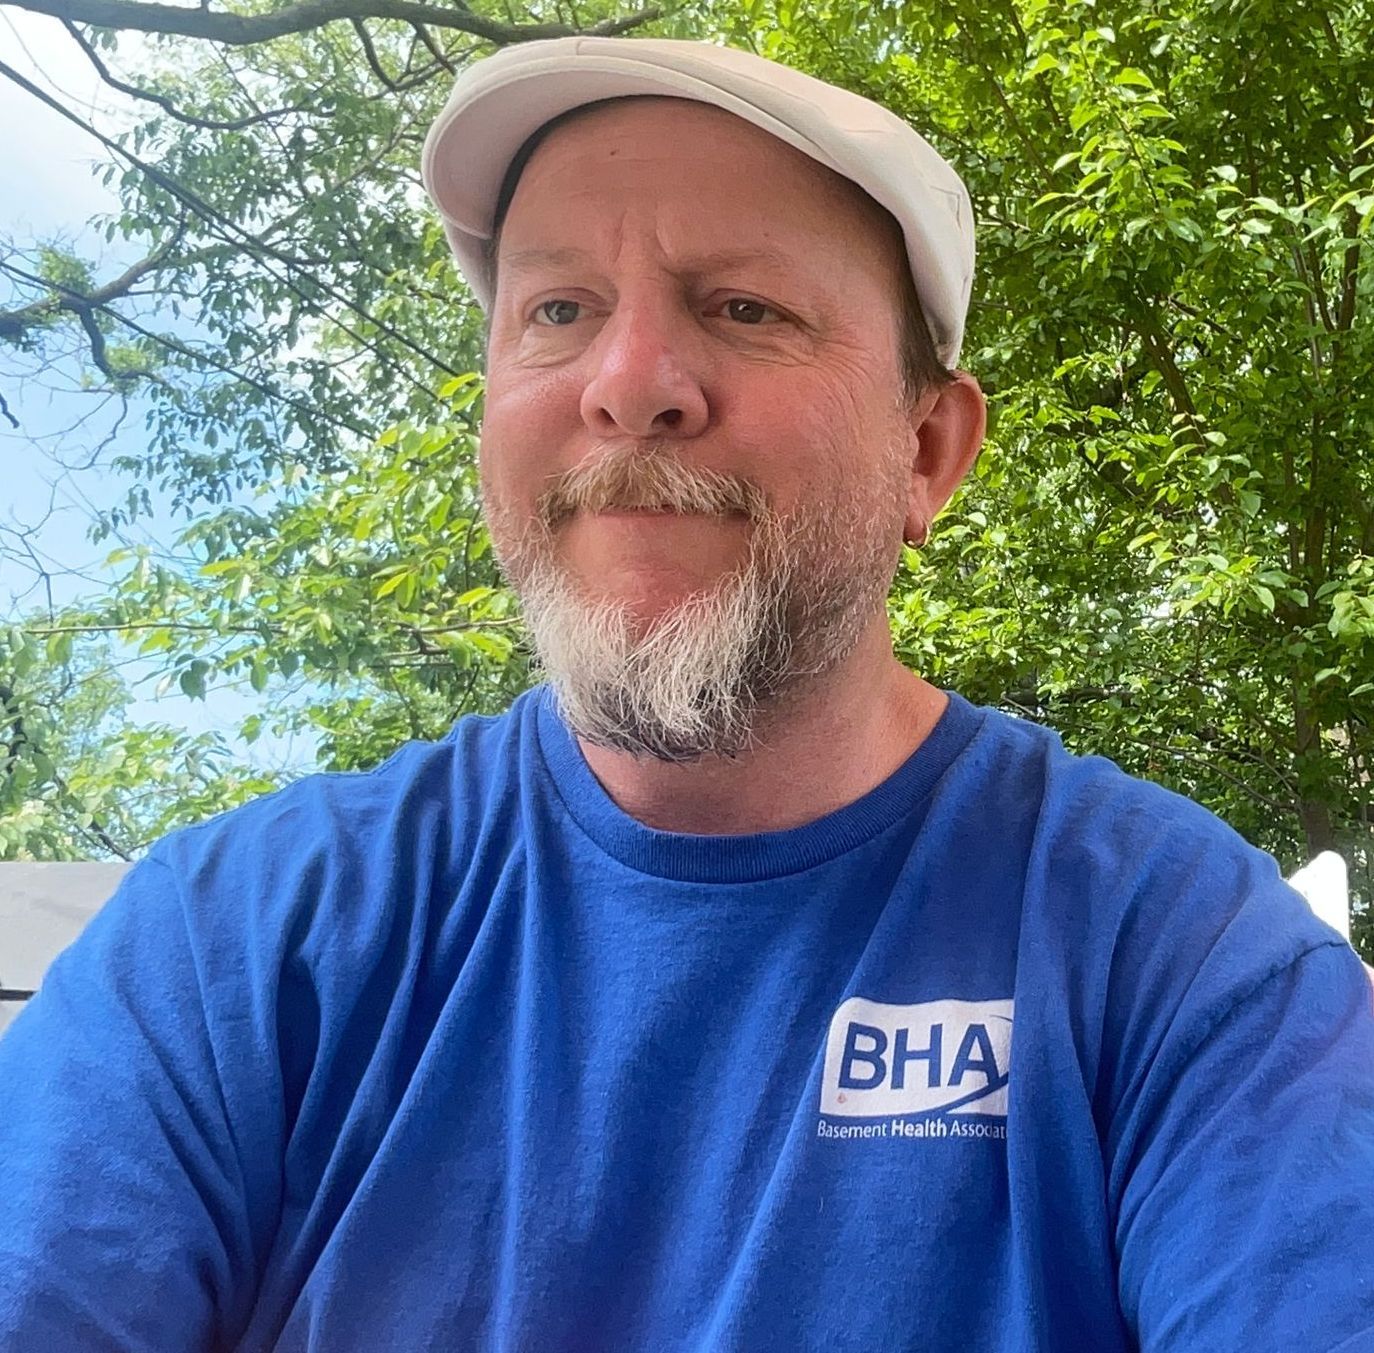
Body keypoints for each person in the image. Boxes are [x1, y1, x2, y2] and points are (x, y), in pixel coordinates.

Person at [1, 36, 1371, 1352]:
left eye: (743, 307)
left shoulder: (1183, 966)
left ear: (927, 451)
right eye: (557, 310)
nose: (628, 386)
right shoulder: (234, 950)